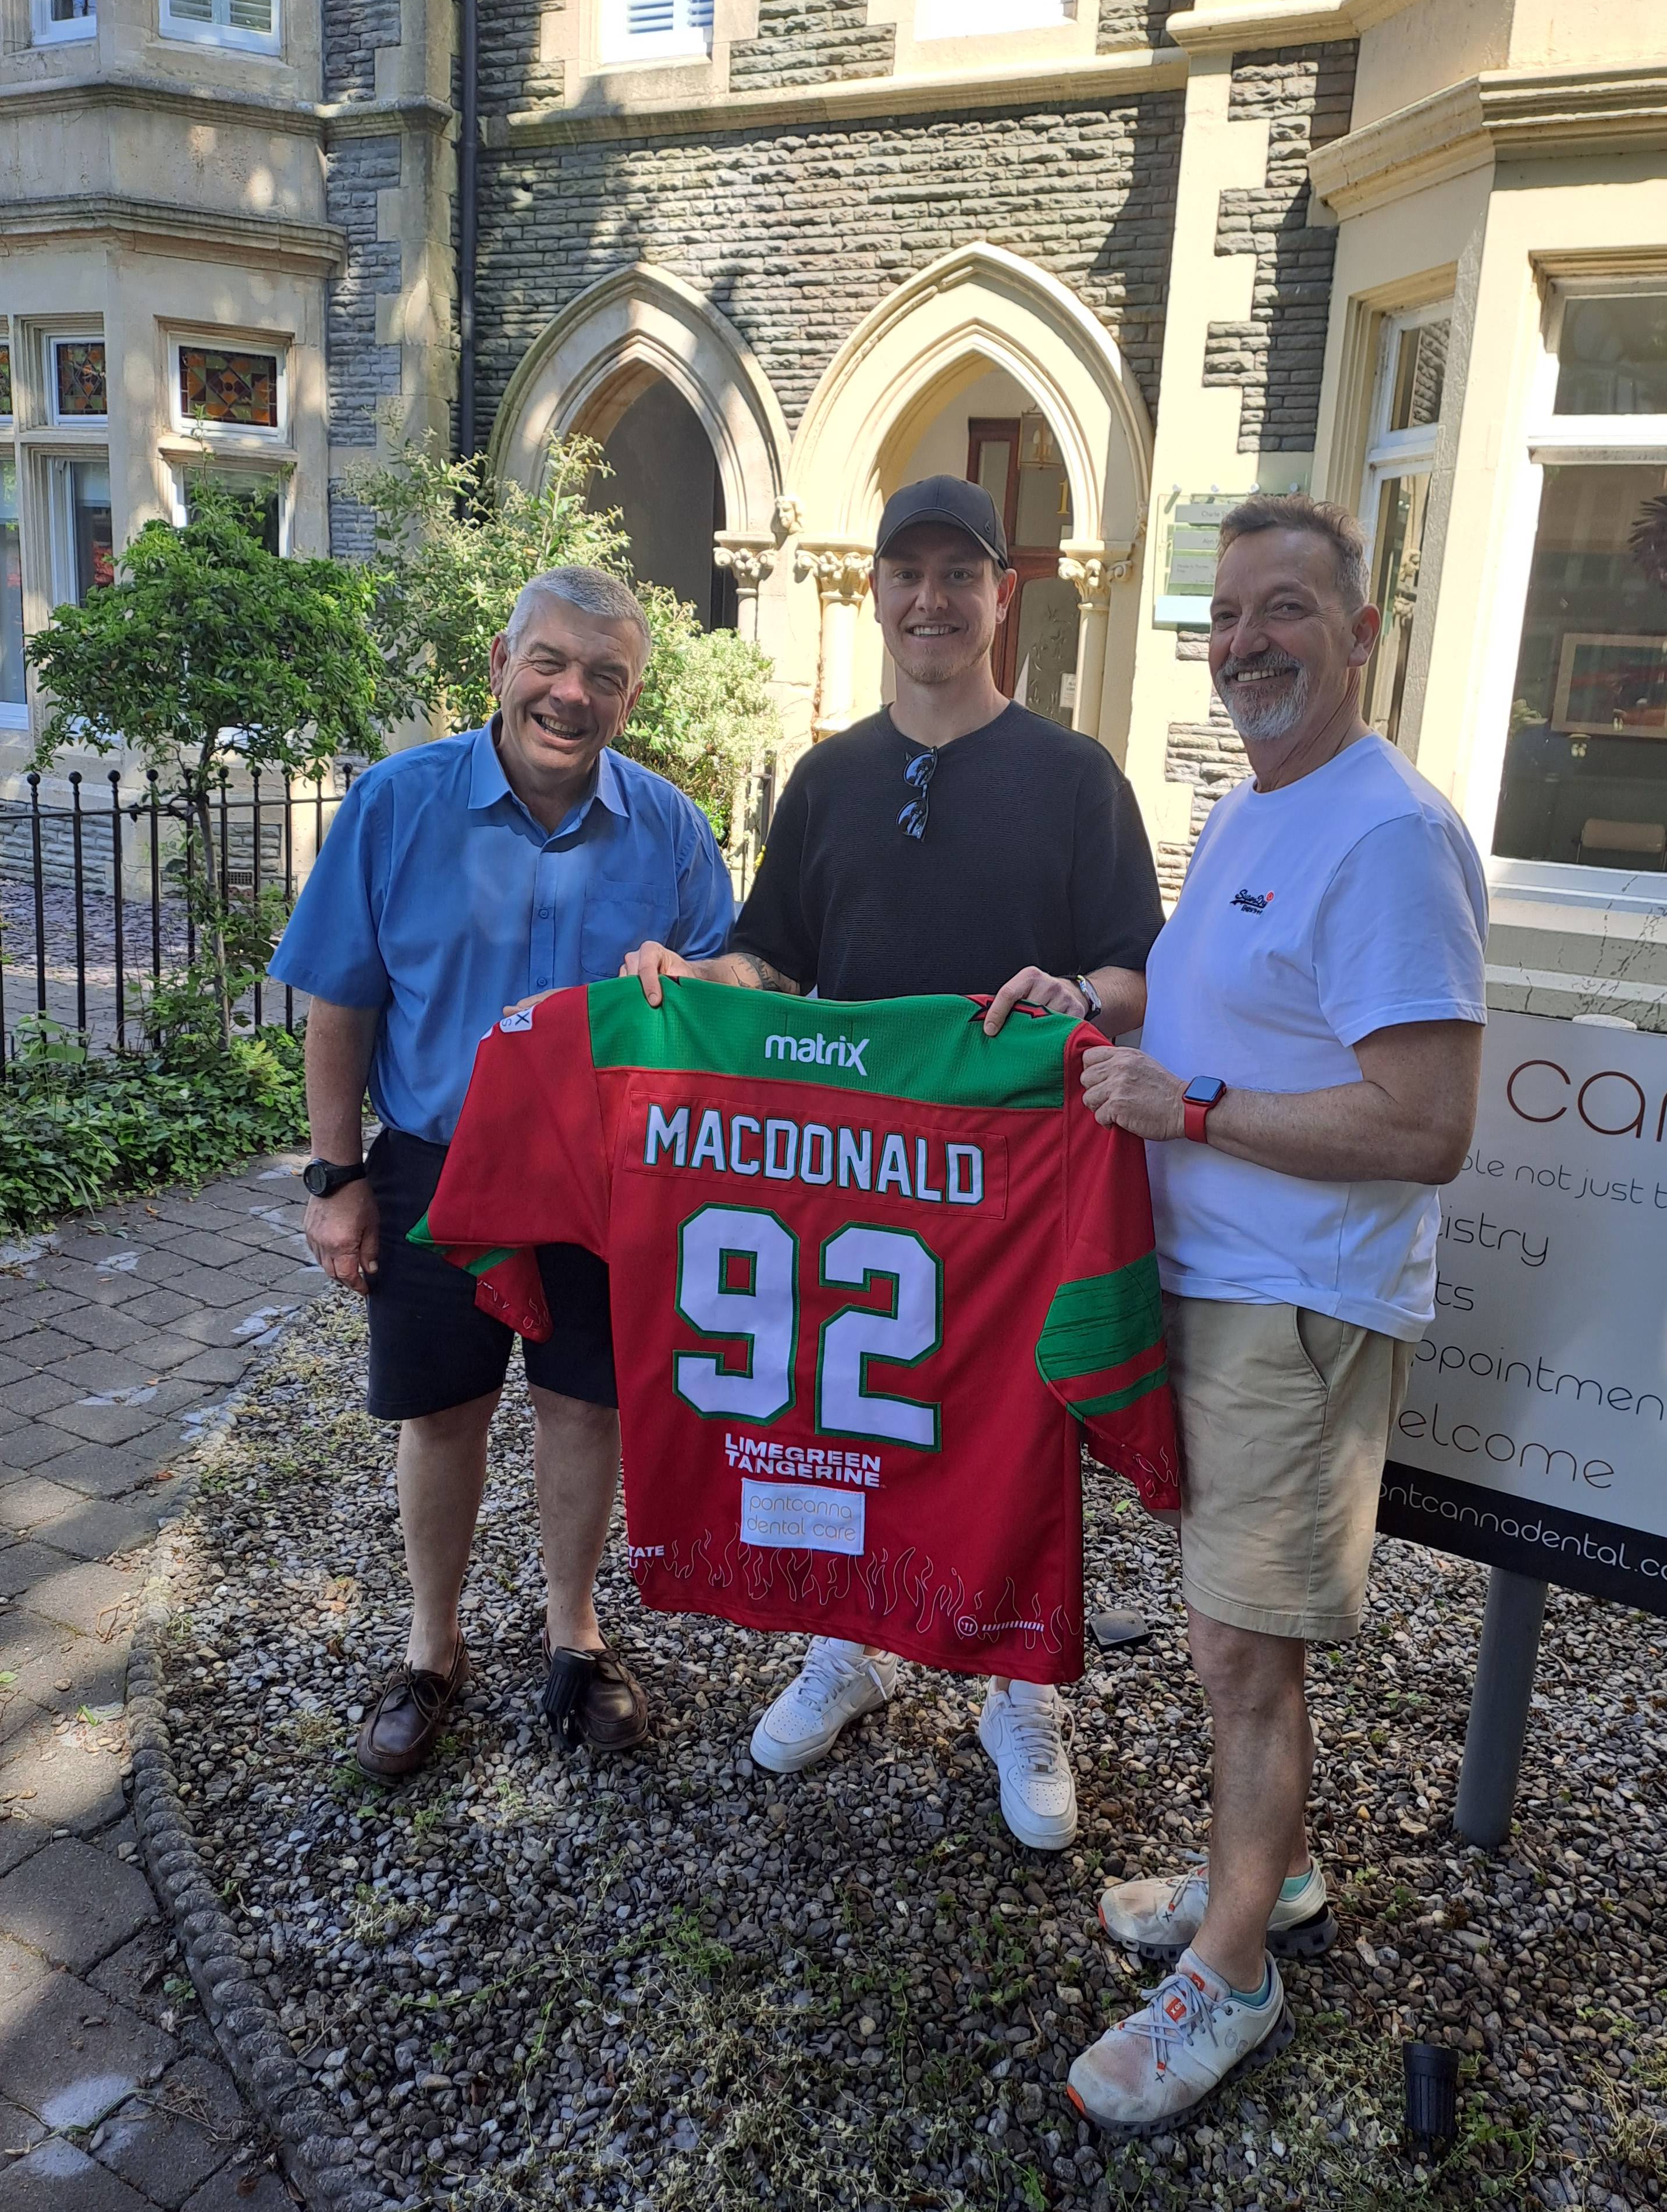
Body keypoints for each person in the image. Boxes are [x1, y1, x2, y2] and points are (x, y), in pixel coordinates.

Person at [619, 473, 1163, 1850]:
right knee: (853, 1410)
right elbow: (773, 949)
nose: (932, 598)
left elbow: (1140, 970)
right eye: (908, 572)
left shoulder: (1076, 776)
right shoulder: (830, 776)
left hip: (1015, 1175)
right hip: (857, 1174)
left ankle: (1015, 1678)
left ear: (1001, 594)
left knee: (1013, 1420)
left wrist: (1078, 1001)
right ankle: (850, 1641)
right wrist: (699, 979)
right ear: (876, 591)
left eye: (959, 574)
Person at [1064, 493, 1487, 2132]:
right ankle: (1273, 1875)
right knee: (1228, 1631)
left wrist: (1195, 1106)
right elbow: (1201, 1010)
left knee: (1243, 1647)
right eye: (1230, 614)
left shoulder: (1387, 833)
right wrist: (1093, 1009)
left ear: (1364, 635)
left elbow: (1426, 1125)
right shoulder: (1259, 808)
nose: (1248, 643)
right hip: (1220, 1287)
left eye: (1289, 610)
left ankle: (1232, 1967)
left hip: (1296, 1313)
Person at [269, 567, 733, 1781]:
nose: (571, 693)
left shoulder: (672, 831)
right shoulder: (396, 804)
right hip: (437, 1161)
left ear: (630, 698)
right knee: (444, 1409)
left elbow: (746, 975)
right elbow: (339, 999)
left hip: (601, 1176)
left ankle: (571, 1633)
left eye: (605, 676)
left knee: (587, 1402)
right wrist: (336, 1177)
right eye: (552, 662)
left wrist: (699, 979)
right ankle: (432, 1648)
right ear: (500, 660)